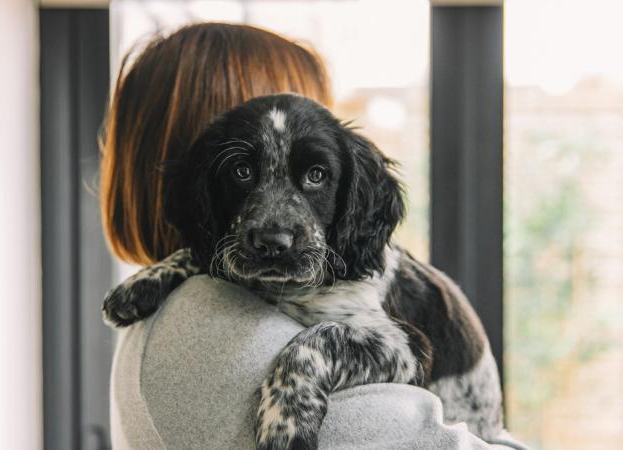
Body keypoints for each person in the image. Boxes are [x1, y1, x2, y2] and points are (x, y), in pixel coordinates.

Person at [101, 22, 495, 449]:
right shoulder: (209, 328)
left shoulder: (216, 311)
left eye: (315, 174)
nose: (275, 230)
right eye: (243, 172)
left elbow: (403, 352)